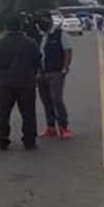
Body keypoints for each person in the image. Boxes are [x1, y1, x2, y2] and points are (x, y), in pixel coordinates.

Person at [0, 14, 41, 151]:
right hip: (26, 82)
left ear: (7, 27)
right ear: (21, 26)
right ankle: (29, 140)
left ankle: (2, 140)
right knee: (28, 113)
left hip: (4, 83)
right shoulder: (30, 43)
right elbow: (37, 60)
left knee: (3, 114)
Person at [35, 12, 74, 140]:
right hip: (41, 72)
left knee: (56, 98)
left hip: (56, 72)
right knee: (46, 100)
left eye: (44, 21)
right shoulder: (40, 35)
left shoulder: (59, 34)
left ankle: (63, 127)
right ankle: (50, 126)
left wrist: (65, 68)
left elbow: (68, 51)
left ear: (50, 21)